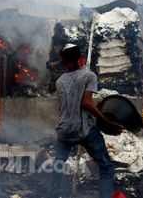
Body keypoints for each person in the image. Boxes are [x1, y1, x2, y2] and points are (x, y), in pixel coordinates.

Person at [50, 44, 124, 198]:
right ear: (80, 59)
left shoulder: (60, 81)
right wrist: (108, 122)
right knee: (106, 167)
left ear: (64, 62)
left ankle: (52, 194)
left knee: (58, 165)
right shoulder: (89, 76)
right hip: (84, 129)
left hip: (63, 129)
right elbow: (86, 103)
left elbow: (71, 104)